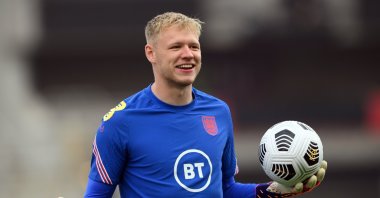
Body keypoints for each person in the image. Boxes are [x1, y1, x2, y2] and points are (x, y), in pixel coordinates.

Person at [84, 12, 327, 198]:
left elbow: (226, 189)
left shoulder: (219, 111)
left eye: (194, 46)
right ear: (151, 53)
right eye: (176, 47)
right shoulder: (120, 121)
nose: (188, 54)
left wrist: (273, 190)